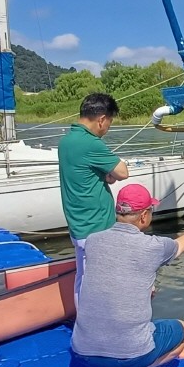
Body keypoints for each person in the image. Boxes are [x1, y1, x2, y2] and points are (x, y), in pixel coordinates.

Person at [70, 183, 184, 367]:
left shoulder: (93, 241)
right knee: (182, 330)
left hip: (83, 353)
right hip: (130, 354)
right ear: (144, 216)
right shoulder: (153, 246)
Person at [58, 92, 129, 299]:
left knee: (83, 279)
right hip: (95, 228)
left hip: (78, 225)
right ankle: (92, 328)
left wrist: (104, 175)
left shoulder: (67, 141)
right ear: (101, 119)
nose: (107, 129)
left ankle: (84, 324)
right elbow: (123, 172)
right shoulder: (90, 143)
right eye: (110, 123)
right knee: (97, 285)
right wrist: (111, 173)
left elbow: (83, 172)